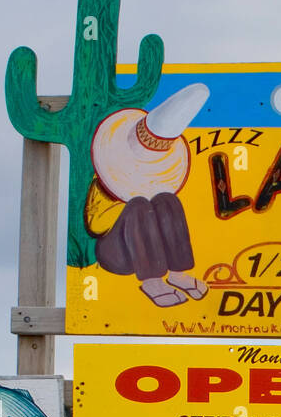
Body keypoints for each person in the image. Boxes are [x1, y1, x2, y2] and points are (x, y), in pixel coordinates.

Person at [86, 83, 211, 307]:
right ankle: (152, 281)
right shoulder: (106, 179)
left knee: (167, 200)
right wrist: (122, 203)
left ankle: (178, 272)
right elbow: (95, 226)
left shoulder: (155, 180)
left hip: (151, 249)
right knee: (137, 206)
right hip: (117, 253)